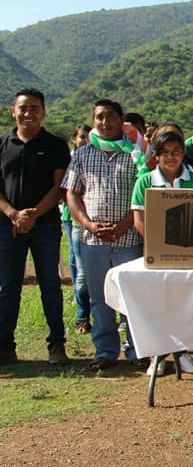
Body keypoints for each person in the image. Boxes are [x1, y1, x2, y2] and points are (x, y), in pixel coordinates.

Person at [62, 99, 144, 371]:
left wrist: (124, 225)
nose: (105, 122)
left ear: (122, 120)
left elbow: (145, 196)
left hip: (128, 238)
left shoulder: (136, 154)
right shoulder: (82, 155)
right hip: (92, 239)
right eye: (99, 117)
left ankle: (137, 350)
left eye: (110, 117)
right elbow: (72, 194)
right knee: (99, 297)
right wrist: (88, 224)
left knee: (132, 297)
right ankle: (106, 351)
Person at [0, 89, 72, 365]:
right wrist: (14, 215)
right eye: (23, 108)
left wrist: (32, 215)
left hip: (46, 226)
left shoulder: (55, 145)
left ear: (43, 112)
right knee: (8, 286)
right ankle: (5, 345)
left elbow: (60, 187)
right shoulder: (2, 144)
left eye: (34, 108)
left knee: (50, 285)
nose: (28, 114)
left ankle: (57, 346)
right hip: (7, 226)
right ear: (13, 111)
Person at [130, 129, 193, 376]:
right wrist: (159, 245)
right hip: (158, 255)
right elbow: (139, 220)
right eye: (165, 153)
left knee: (185, 303)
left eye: (176, 152)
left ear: (183, 154)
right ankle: (158, 354)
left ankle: (182, 351)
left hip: (192, 253)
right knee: (157, 301)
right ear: (156, 155)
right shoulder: (145, 180)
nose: (171, 158)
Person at [62, 124, 92, 336]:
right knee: (80, 272)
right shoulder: (73, 158)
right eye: (81, 137)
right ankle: (83, 317)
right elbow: (69, 193)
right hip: (75, 222)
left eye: (88, 137)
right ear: (75, 139)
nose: (84, 140)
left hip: (97, 223)